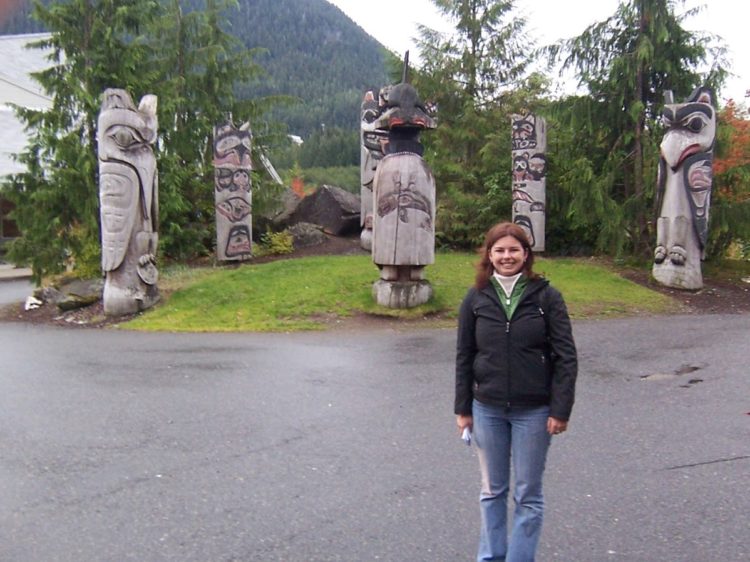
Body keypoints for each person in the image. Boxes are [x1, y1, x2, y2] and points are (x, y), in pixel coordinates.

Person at [455, 222, 578, 562]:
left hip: (535, 411)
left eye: (513, 250)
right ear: (489, 255)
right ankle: (491, 557)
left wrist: (560, 410)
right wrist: (462, 409)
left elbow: (566, 356)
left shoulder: (547, 297)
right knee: (492, 491)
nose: (506, 256)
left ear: (526, 254)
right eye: (500, 250)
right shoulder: (476, 298)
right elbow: (465, 355)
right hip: (487, 409)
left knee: (528, 494)